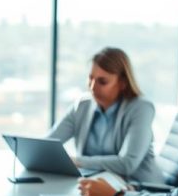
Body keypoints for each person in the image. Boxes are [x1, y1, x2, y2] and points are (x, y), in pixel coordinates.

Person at [47, 47, 163, 181]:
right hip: (96, 185)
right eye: (90, 78)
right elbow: (49, 144)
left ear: (123, 83)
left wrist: (77, 161)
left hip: (139, 190)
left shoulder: (141, 108)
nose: (92, 87)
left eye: (102, 82)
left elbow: (127, 164)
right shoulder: (82, 106)